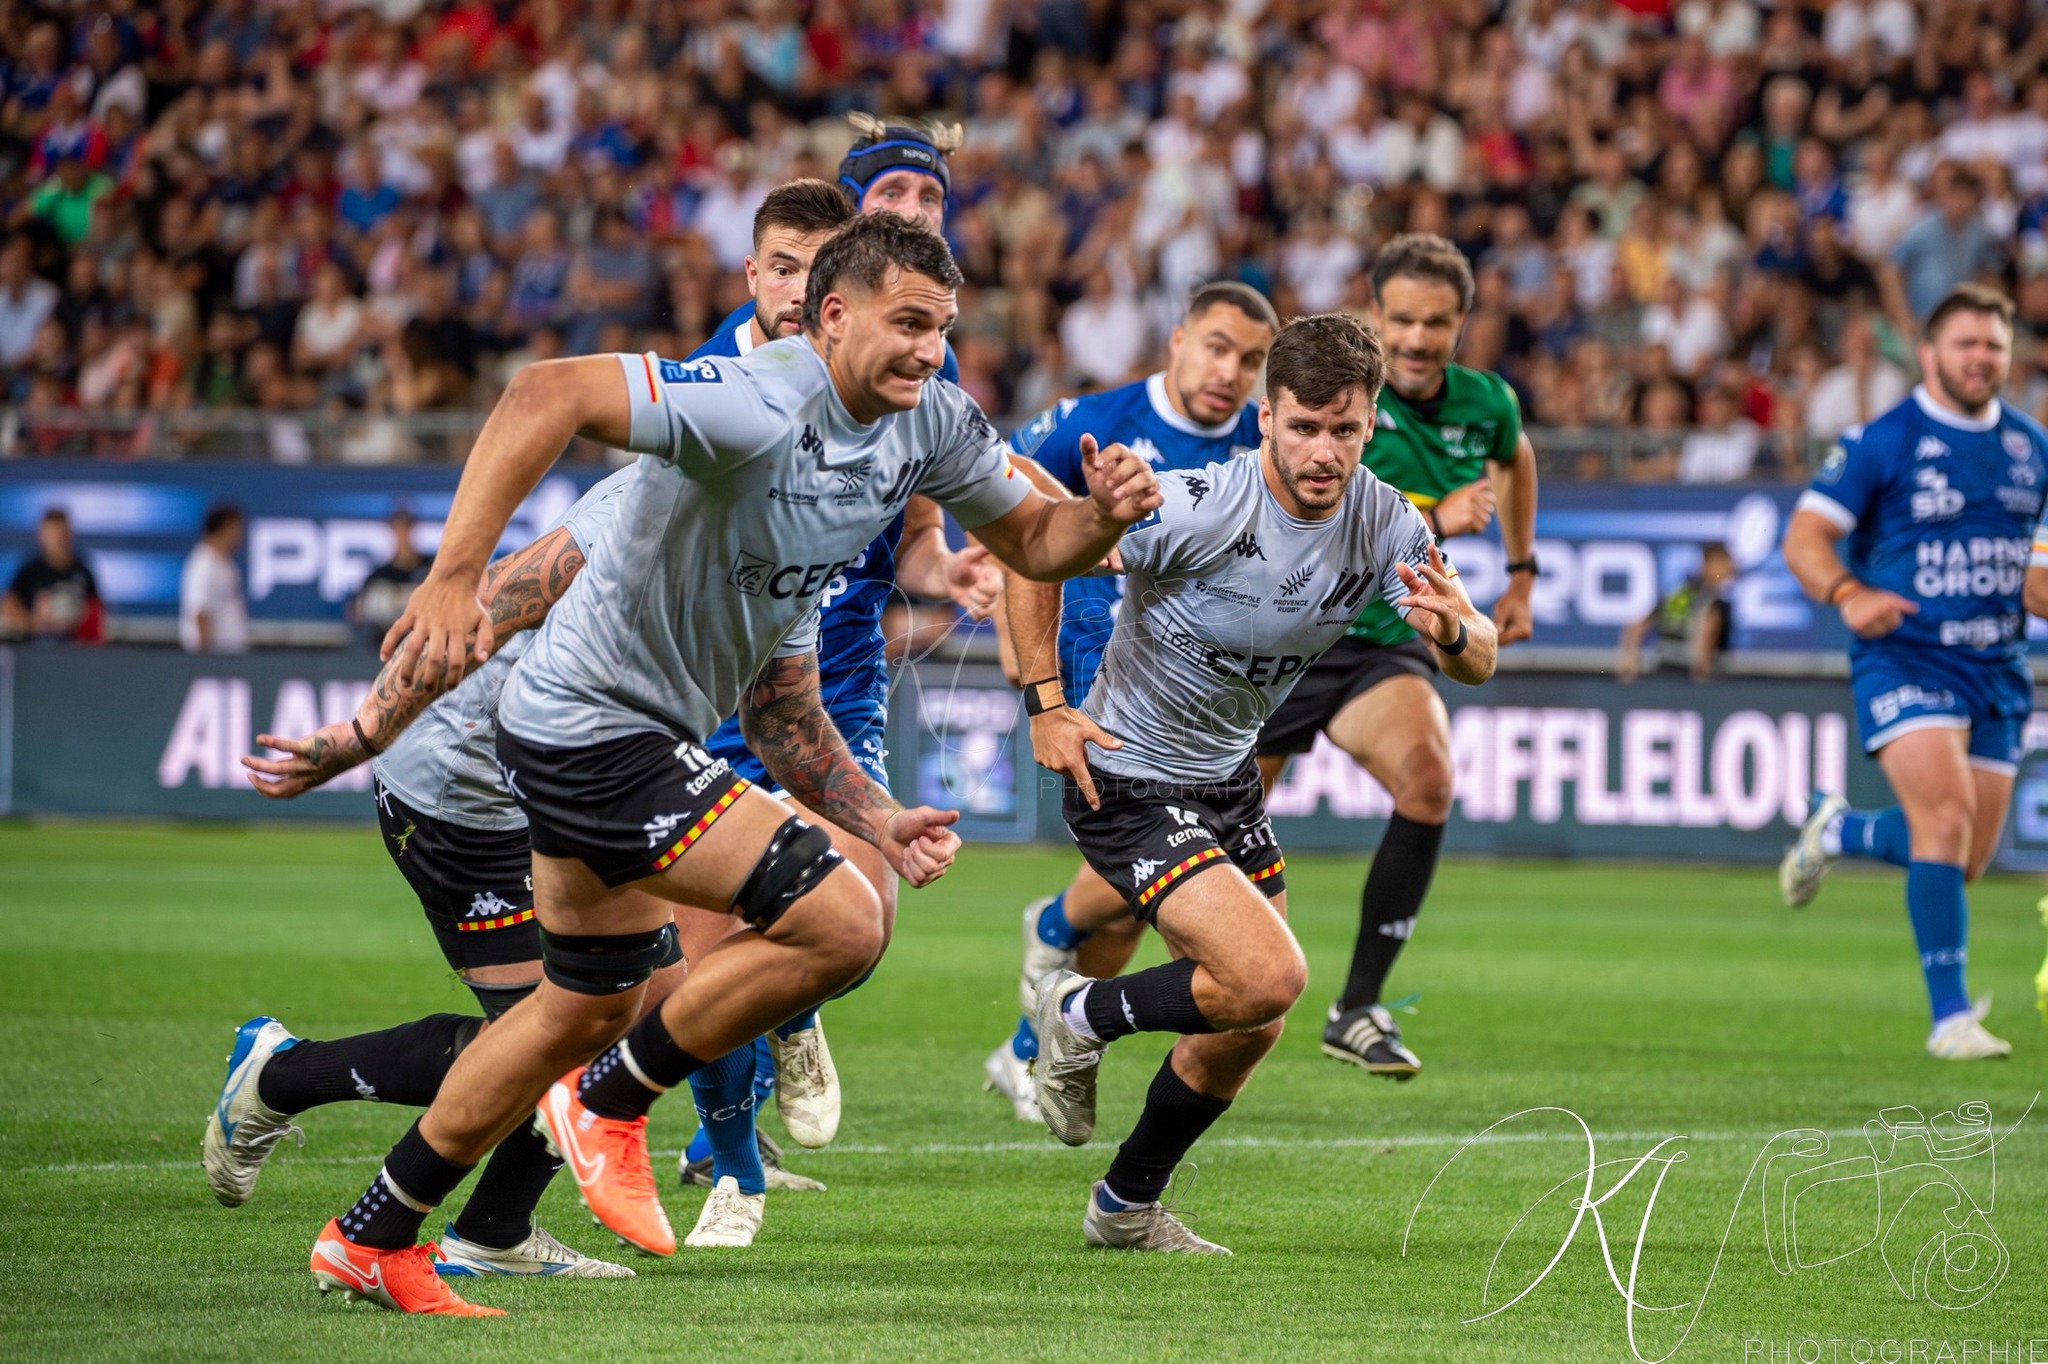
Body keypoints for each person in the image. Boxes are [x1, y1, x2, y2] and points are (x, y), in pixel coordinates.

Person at [306, 213, 1160, 1315]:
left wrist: (1099, 517)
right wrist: (450, 575)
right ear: (831, 314)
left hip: (606, 738)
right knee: (841, 921)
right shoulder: (751, 399)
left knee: (578, 1009)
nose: (927, 350)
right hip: (586, 728)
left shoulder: (924, 429)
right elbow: (541, 393)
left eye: (942, 328)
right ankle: (609, 1106)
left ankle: (373, 1232)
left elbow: (818, 691)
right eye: (906, 323)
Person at [1016, 314, 1497, 1252]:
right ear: (1266, 417)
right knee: (1269, 975)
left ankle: (1124, 1208)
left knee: (1253, 1019)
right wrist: (1044, 701)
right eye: (1305, 427)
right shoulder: (1191, 504)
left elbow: (1476, 657)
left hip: (1228, 782)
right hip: (1128, 775)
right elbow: (1032, 549)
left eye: (1345, 430)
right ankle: (1076, 1008)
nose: (1324, 452)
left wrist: (1450, 631)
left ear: (1372, 423)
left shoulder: (1389, 521)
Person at [216, 474, 643, 1281]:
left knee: (624, 1002)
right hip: (460, 795)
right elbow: (478, 609)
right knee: (555, 1031)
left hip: (551, 786)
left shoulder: (755, 512)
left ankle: (493, 1229)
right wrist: (360, 733)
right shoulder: (647, 508)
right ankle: (285, 1076)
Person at [682, 177, 1004, 1248]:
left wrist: (944, 566)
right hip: (710, 692)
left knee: (854, 924)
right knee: (706, 950)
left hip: (840, 683)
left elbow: (913, 531)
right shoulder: (715, 383)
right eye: (777, 265)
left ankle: (797, 1010)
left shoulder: (908, 379)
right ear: (759, 277)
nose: (793, 287)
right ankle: (730, 1169)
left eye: (810, 269)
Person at [981, 280, 1280, 1123]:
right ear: (1178, 339)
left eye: (1252, 360)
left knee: (1140, 906)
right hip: (1093, 684)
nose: (1231, 372)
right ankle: (1048, 973)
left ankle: (1030, 1038)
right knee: (1148, 892)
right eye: (1218, 347)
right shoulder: (1094, 419)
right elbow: (994, 489)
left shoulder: (1261, 453)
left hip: (1201, 698)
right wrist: (1017, 631)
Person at [1252, 234, 1536, 1079]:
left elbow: (1514, 460)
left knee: (1430, 777)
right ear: (1375, 315)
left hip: (1381, 646)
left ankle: (1357, 1007)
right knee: (1203, 846)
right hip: (1287, 646)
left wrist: (1522, 571)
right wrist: (1438, 514)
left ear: (1462, 324)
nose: (1416, 340)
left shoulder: (1487, 403)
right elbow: (1308, 496)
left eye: (1436, 324)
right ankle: (1065, 948)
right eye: (1402, 320)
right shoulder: (1333, 394)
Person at [1779, 283, 2047, 1061]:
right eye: (1965, 344)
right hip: (1906, 653)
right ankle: (1950, 1020)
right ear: (1928, 354)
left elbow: (2038, 578)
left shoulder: (2033, 447)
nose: (1980, 358)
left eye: (1993, 345)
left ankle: (1840, 830)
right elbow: (1804, 537)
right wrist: (1846, 590)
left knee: (1963, 856)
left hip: (1998, 664)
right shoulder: (1881, 441)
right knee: (1946, 821)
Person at [1616, 543, 1734, 682]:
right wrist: (1703, 675)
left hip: (1662, 674)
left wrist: (1628, 663)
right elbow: (1706, 633)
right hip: (1689, 682)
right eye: (1725, 562)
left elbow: (1635, 628)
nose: (1731, 568)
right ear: (1708, 564)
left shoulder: (1678, 595)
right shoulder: (1712, 603)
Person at [3, 506, 103, 643]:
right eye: (53, 533)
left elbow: (96, 612)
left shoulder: (83, 572)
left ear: (70, 534)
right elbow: (8, 606)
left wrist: (75, 623)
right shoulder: (29, 571)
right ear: (42, 535)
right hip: (36, 649)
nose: (58, 539)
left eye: (62, 533)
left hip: (75, 650)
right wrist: (33, 624)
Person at [351, 505, 434, 644]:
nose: (402, 532)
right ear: (391, 528)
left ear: (413, 527)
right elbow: (357, 612)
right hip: (388, 646)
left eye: (407, 525)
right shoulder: (378, 576)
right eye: (398, 526)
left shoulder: (432, 569)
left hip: (426, 643)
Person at [179, 504, 249, 655]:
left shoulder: (226, 564)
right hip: (214, 657)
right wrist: (204, 658)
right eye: (237, 528)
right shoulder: (203, 564)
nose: (241, 535)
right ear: (226, 528)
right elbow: (200, 610)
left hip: (230, 655)